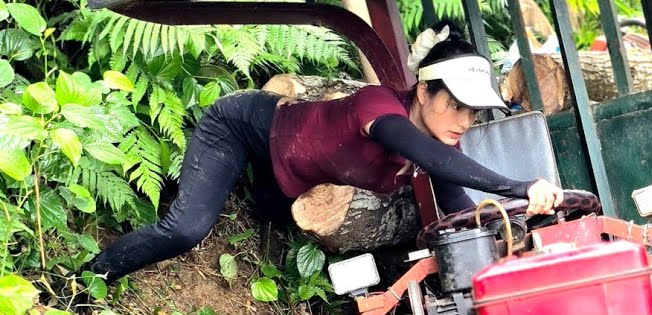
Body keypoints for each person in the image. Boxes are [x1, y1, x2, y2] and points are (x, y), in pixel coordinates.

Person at [86, 21, 562, 282]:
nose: (464, 121)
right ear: (423, 92)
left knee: (270, 212)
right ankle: (90, 276)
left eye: (474, 114)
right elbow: (438, 160)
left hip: (285, 173)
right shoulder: (381, 110)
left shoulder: (433, 147)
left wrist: (509, 237)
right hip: (241, 128)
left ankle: (228, 188)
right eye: (456, 106)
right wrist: (521, 185)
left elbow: (461, 209)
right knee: (186, 229)